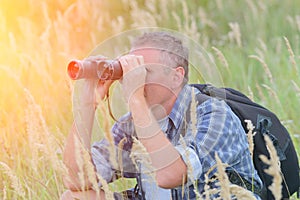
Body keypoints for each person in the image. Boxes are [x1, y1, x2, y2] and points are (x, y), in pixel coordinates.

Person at [61, 31, 263, 200]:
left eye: (145, 71)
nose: (135, 80)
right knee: (73, 197)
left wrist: (136, 100)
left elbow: (171, 175)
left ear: (176, 77)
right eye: (131, 72)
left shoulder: (214, 116)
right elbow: (77, 179)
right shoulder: (131, 124)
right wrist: (88, 104)